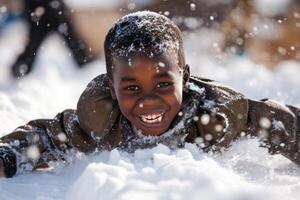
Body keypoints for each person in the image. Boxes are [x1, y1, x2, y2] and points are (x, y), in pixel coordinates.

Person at [0, 11, 299, 178]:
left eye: (164, 84)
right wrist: (7, 156)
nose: (149, 100)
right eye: (131, 88)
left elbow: (279, 123)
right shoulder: (101, 119)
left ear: (184, 77)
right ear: (111, 88)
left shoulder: (216, 114)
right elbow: (48, 137)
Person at [11, 0, 94, 78]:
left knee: (72, 39)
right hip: (40, 9)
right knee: (33, 44)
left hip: (50, 8)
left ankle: (87, 67)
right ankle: (20, 70)